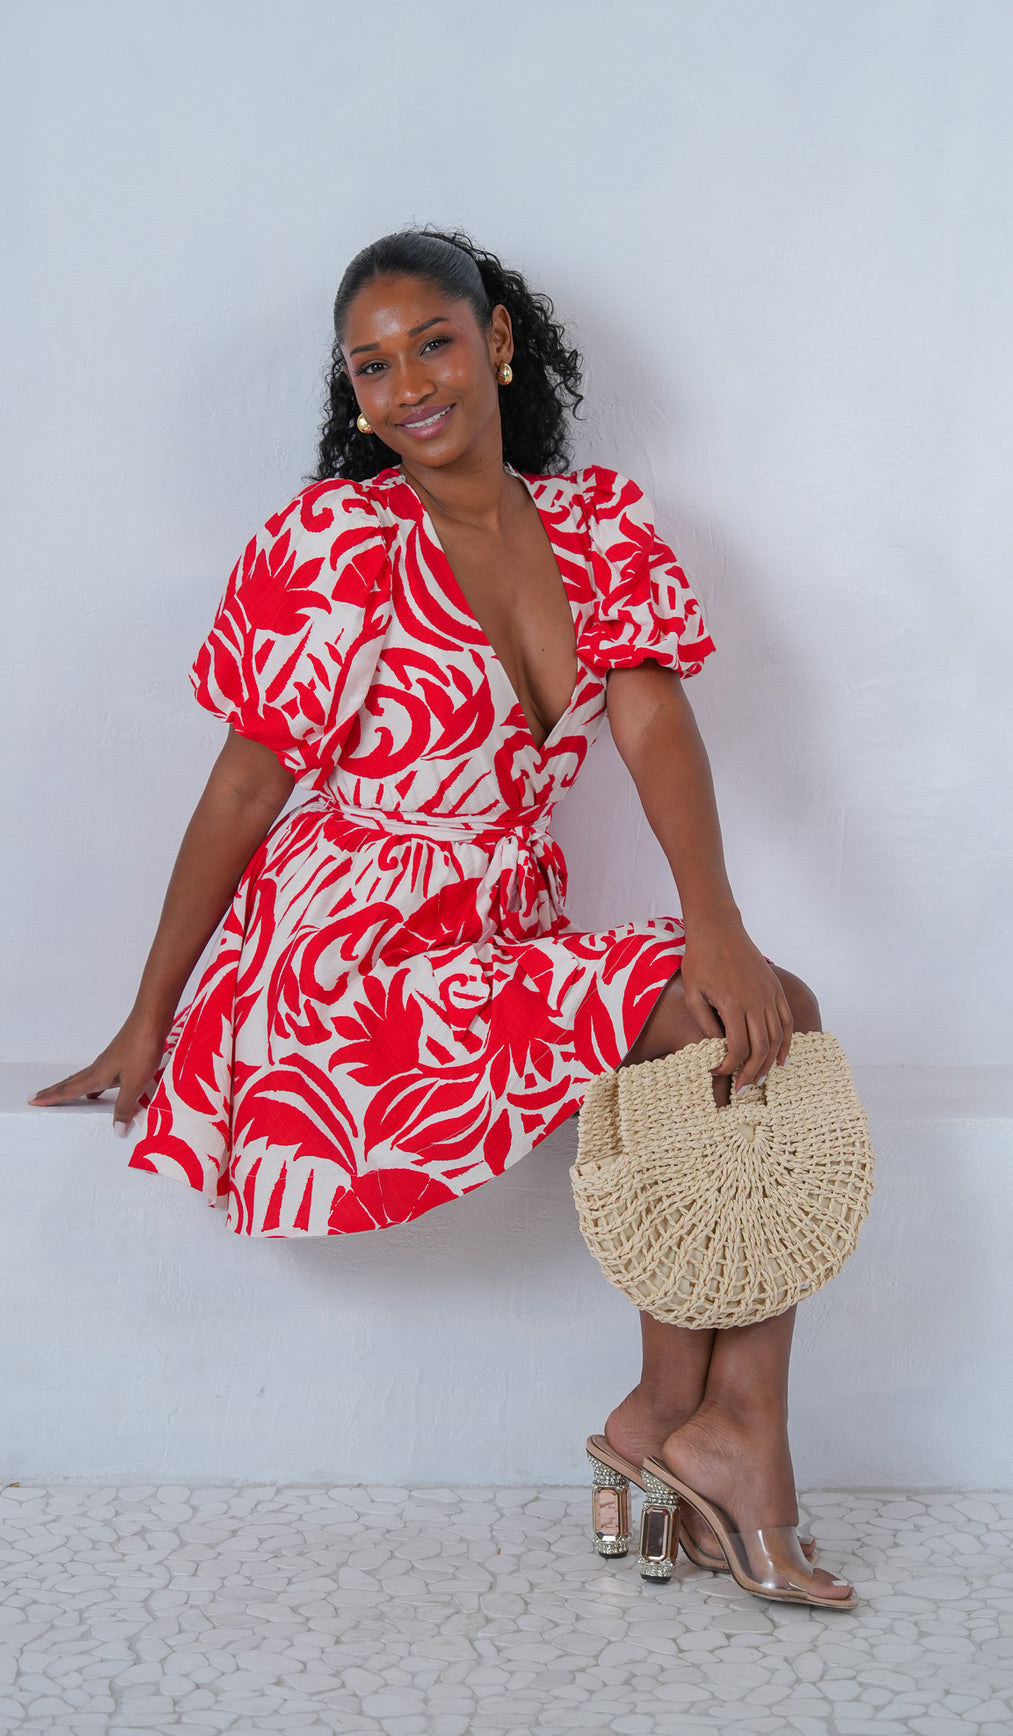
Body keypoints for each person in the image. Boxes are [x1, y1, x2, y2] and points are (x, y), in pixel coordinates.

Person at [32, 229, 852, 1608]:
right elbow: (245, 787)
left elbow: (653, 724)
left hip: (493, 932)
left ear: (498, 343)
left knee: (767, 1009)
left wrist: (715, 922)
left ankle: (695, 1422)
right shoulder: (335, 541)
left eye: (434, 343)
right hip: (343, 952)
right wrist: (147, 1014)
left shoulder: (598, 524)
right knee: (717, 1026)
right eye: (372, 365)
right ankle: (709, 1435)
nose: (409, 383)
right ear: (353, 395)